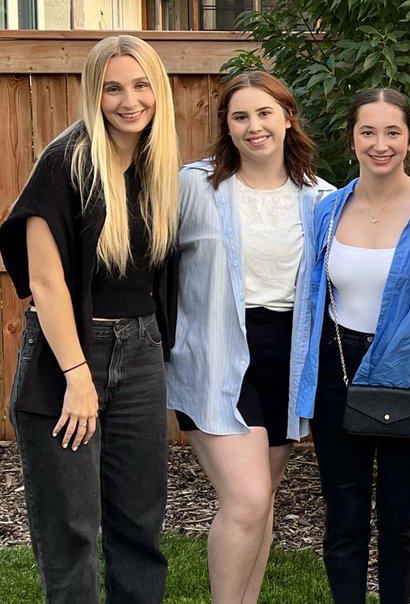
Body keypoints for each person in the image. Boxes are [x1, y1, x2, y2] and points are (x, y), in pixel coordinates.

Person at [0, 35, 179, 603]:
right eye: (113, 88)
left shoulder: (156, 164)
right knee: (71, 531)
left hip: (141, 353)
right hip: (69, 357)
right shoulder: (67, 161)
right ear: (92, 94)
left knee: (139, 526)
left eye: (141, 84)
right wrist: (77, 377)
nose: (130, 100)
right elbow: (45, 282)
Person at [166, 70, 331, 604]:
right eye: (241, 116)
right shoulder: (194, 186)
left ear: (287, 118)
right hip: (215, 354)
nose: (254, 126)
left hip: (288, 357)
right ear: (227, 127)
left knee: (262, 503)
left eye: (265, 113)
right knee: (247, 499)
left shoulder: (321, 199)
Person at [293, 88, 410, 603]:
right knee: (344, 517)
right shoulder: (328, 209)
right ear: (352, 138)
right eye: (368, 132)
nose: (380, 144)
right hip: (338, 370)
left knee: (402, 517)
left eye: (392, 132)